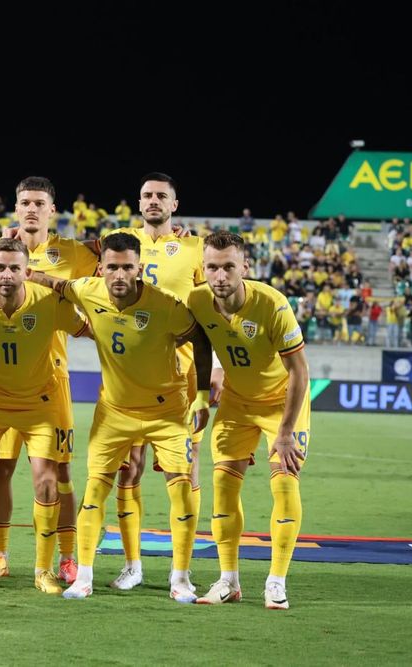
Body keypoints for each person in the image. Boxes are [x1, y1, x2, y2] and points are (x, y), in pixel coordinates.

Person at [49, 232, 212, 601]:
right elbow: (54, 282)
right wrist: (13, 274)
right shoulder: (87, 290)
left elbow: (201, 339)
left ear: (139, 269)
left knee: (182, 490)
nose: (119, 274)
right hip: (114, 413)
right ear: (101, 268)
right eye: (112, 267)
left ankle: (180, 577)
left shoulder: (166, 305)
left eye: (127, 267)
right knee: (96, 489)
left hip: (167, 412)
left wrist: (202, 394)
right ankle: (85, 577)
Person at [0, 176, 98, 585]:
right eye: (25, 202)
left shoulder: (72, 252)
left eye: (40, 203)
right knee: (0, 468)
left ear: (52, 210)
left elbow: (107, 273)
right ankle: (0, 556)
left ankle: (66, 556)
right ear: (15, 207)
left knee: (59, 473)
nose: (32, 209)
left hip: (51, 379)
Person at [191, 230, 310, 610]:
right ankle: (228, 581)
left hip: (282, 403)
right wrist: (203, 391)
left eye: (228, 266)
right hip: (238, 403)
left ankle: (276, 581)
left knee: (284, 485)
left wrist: (287, 431)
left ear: (245, 266)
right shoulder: (197, 301)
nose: (220, 275)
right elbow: (201, 342)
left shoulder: (272, 305)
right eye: (212, 267)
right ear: (204, 268)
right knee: (223, 486)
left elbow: (300, 373)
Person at [100, 172, 207, 591]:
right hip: (128, 375)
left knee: (183, 472)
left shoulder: (195, 248)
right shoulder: (120, 241)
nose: (153, 201)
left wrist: (213, 369)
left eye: (162, 195)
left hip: (181, 377)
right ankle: (132, 565)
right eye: (147, 195)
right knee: (129, 471)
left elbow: (207, 310)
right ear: (138, 202)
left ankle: (181, 571)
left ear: (174, 204)